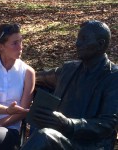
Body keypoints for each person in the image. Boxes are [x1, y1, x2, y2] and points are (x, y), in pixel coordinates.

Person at [21, 20, 118, 150]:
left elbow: (107, 124)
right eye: (78, 38)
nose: (77, 43)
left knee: (44, 136)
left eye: (83, 39)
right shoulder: (69, 69)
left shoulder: (113, 77)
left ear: (100, 44)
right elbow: (37, 77)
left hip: (91, 145)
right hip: (59, 138)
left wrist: (69, 124)